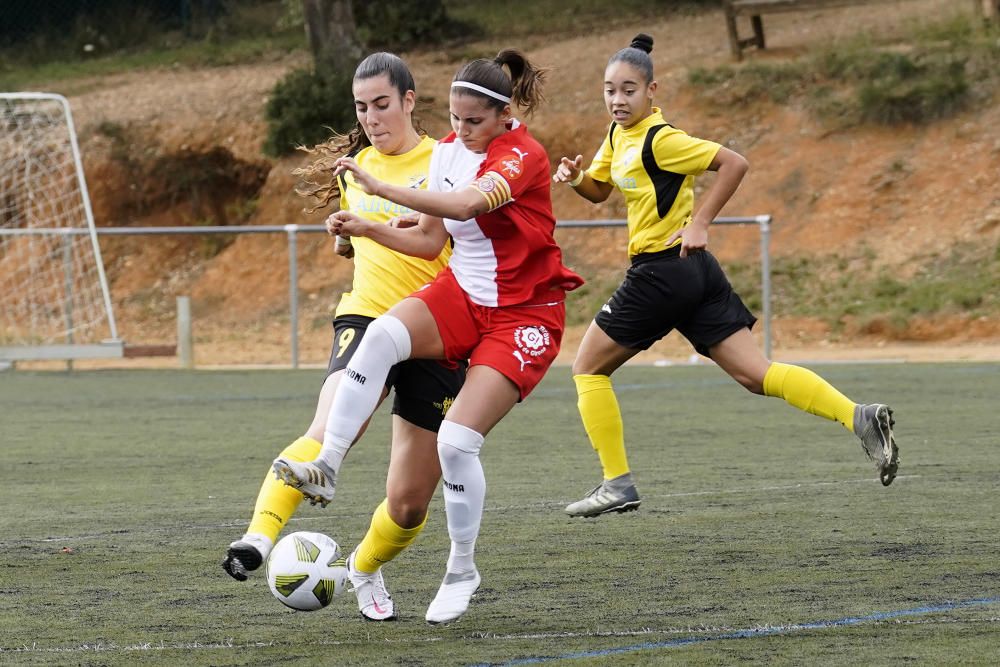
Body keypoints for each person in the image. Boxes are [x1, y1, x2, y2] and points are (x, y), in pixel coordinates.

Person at [272, 48, 584, 624]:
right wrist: (366, 227)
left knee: (456, 444)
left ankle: (462, 568)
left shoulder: (522, 156)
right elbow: (429, 237)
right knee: (382, 334)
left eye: (474, 123)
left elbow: (466, 204)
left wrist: (380, 189)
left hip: (524, 315)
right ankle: (329, 465)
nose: (461, 132)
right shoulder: (447, 151)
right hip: (464, 293)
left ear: (504, 116)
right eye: (456, 119)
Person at [552, 34, 900, 518]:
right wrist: (575, 180)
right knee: (756, 376)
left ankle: (617, 484)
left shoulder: (661, 138)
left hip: (662, 271)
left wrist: (700, 222)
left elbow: (733, 163)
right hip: (694, 274)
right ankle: (857, 416)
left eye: (629, 90)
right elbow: (599, 191)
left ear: (653, 90)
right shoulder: (616, 136)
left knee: (587, 369)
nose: (617, 99)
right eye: (610, 90)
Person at [222, 52, 468, 623]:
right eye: (362, 107)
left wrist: (373, 227)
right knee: (331, 425)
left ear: (409, 101)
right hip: (365, 317)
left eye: (382, 103)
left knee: (408, 503)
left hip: (435, 328)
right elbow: (357, 246)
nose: (373, 116)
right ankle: (257, 539)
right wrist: (344, 234)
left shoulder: (446, 163)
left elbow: (435, 244)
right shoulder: (353, 168)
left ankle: (362, 567)